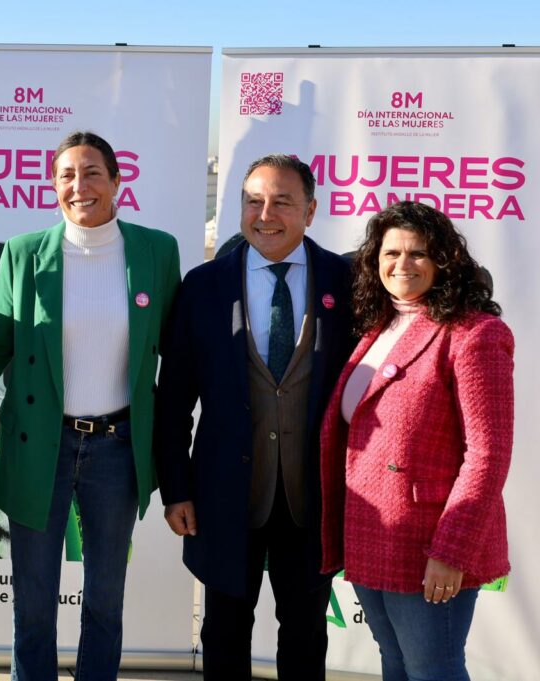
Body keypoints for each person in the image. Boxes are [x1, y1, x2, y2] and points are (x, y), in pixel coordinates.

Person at [0, 130, 181, 680]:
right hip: (38, 447)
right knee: (34, 603)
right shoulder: (24, 254)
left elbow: (178, 351)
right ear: (53, 185)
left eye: (92, 172)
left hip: (117, 449)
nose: (79, 185)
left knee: (105, 602)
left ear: (117, 181)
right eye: (66, 175)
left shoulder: (157, 251)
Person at [154, 154, 354, 679]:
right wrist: (176, 489)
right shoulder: (203, 286)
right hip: (224, 496)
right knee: (223, 632)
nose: (265, 215)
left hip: (312, 497)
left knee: (306, 636)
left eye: (282, 202)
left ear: (310, 211)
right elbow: (173, 398)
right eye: (253, 201)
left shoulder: (347, 281)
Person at [320, 200, 513, 681]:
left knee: (433, 669)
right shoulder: (378, 325)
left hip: (429, 542)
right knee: (395, 662)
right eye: (391, 253)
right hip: (371, 531)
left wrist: (451, 553)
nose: (402, 264)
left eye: (418, 253)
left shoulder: (475, 333)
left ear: (444, 260)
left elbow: (487, 455)